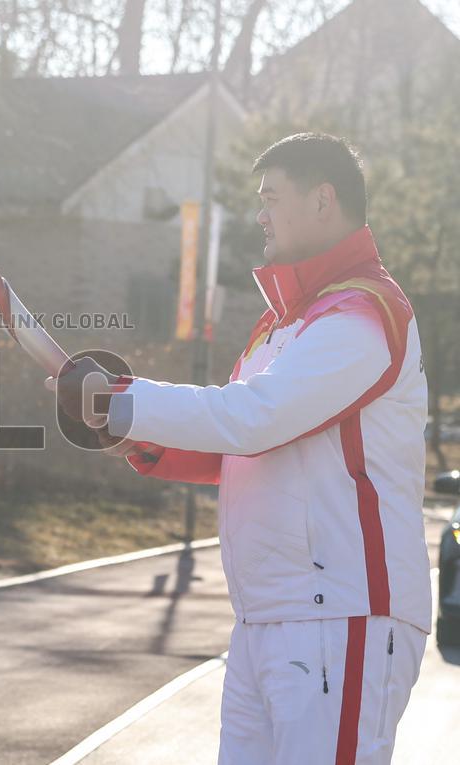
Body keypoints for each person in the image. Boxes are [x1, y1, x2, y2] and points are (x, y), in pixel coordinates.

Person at [51, 133, 430, 765]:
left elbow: (255, 419)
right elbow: (242, 445)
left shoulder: (366, 312)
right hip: (266, 617)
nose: (260, 215)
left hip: (343, 613)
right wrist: (133, 435)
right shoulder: (280, 326)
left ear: (323, 200)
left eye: (271, 198)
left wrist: (123, 397)